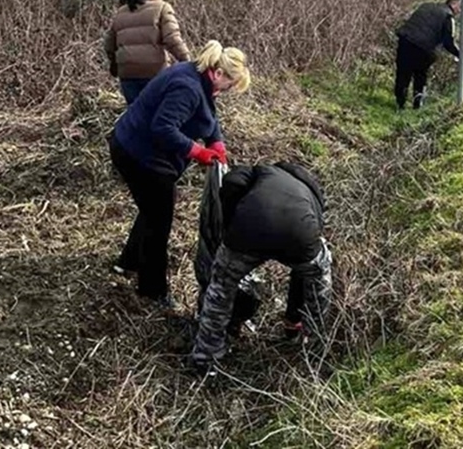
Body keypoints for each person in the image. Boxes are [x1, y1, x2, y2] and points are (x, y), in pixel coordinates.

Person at [107, 40, 251, 306]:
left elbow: (209, 111)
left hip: (137, 147)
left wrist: (215, 140)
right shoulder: (187, 87)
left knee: (154, 208)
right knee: (158, 221)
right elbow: (163, 127)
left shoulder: (198, 75)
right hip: (137, 154)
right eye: (229, 86)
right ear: (219, 74)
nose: (227, 91)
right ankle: (152, 290)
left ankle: (128, 262)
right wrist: (197, 151)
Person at [190, 161, 332, 372]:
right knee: (318, 290)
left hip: (248, 229)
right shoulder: (312, 197)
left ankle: (205, 358)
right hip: (299, 234)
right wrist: (293, 317)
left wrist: (229, 225)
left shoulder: (262, 171)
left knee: (220, 290)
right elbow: (302, 274)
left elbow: (230, 182)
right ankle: (316, 357)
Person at [103, 0, 191, 104]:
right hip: (154, 73)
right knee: (155, 115)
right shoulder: (162, 8)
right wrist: (188, 62)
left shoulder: (122, 11)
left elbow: (109, 44)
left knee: (135, 116)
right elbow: (172, 39)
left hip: (127, 73)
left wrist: (115, 64)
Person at [394, 0, 463, 110]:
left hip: (405, 40)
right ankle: (417, 103)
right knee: (420, 74)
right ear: (453, 4)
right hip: (424, 48)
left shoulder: (425, 5)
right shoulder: (448, 17)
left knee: (403, 72)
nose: (460, 11)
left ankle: (400, 103)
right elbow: (448, 43)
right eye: (460, 8)